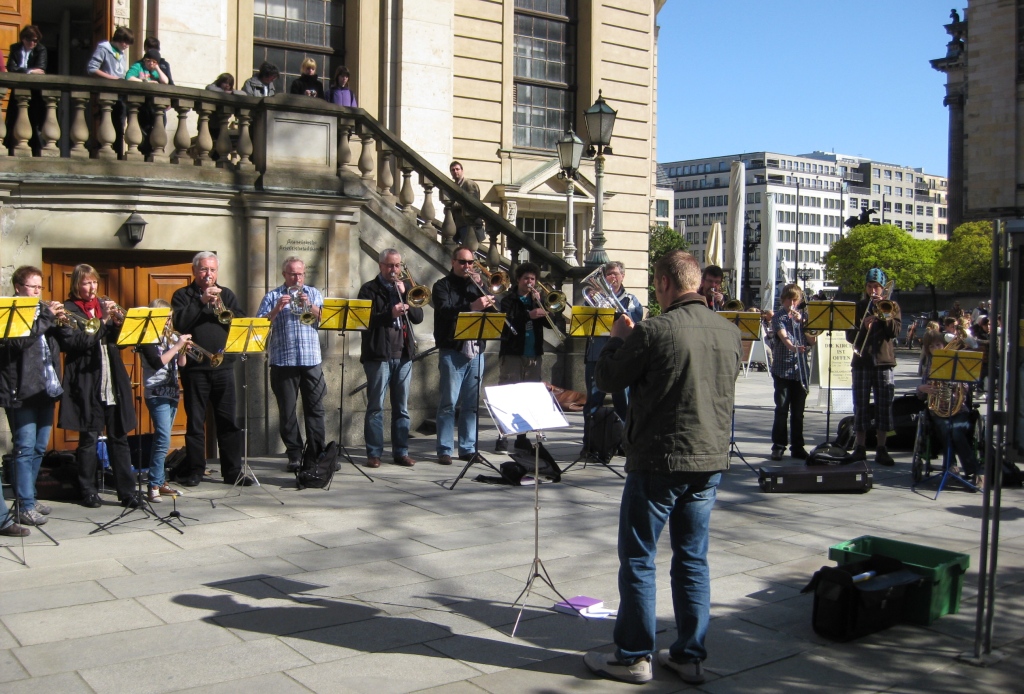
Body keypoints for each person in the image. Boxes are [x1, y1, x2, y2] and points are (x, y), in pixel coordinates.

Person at [584, 249, 741, 685]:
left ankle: (634, 656)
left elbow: (608, 380)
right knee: (693, 560)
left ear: (666, 284)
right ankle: (690, 655)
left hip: (659, 458)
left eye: (657, 284)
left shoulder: (653, 330)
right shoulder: (729, 333)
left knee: (638, 557)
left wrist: (617, 338)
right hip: (710, 459)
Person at [57, 264, 141, 508]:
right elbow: (77, 342)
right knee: (88, 438)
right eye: (86, 283)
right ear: (76, 285)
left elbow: (122, 343)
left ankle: (127, 492)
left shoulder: (102, 307)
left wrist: (116, 323)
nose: (92, 288)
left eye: (94, 282)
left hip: (111, 380)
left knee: (119, 437)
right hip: (86, 381)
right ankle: (88, 490)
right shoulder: (68, 310)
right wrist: (103, 320)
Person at [171, 252, 248, 486]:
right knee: (195, 422)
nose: (209, 275)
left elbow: (241, 322)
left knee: (228, 421)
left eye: (213, 270)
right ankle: (195, 471)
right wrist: (201, 301)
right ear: (194, 271)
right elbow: (179, 322)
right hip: (195, 368)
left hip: (223, 367)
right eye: (204, 270)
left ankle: (232, 471)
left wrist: (221, 308)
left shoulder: (227, 295)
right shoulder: (182, 295)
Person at [0, 266, 66, 527]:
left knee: (39, 447)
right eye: (32, 287)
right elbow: (17, 344)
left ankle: (29, 495)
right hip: (21, 391)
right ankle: (24, 504)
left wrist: (57, 324)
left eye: (40, 287)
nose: (38, 291)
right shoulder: (12, 313)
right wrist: (46, 319)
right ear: (18, 288)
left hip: (45, 388)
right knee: (24, 448)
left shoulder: (42, 314)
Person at [256, 257, 326, 472]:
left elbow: (325, 318)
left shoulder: (313, 293)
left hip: (311, 360)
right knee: (287, 412)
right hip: (283, 361)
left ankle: (316, 454)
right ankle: (294, 454)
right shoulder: (273, 296)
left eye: (300, 274)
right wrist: (277, 308)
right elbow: (260, 325)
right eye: (293, 274)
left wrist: (310, 305)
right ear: (284, 274)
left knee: (315, 410)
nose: (297, 278)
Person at [357, 249, 424, 468]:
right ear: (380, 266)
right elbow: (363, 320)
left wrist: (406, 295)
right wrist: (390, 313)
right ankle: (374, 453)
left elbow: (418, 317)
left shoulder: (405, 288)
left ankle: (401, 451)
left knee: (401, 408)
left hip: (403, 354)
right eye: (389, 266)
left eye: (397, 266)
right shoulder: (368, 289)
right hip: (378, 355)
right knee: (376, 406)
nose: (394, 270)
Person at [431, 246, 493, 465]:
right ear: (453, 262)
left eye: (470, 263)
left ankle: (467, 448)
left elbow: (495, 312)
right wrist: (471, 306)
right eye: (463, 262)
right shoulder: (441, 285)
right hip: (452, 350)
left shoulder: (476, 286)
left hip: (476, 350)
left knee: (471, 404)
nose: (467, 267)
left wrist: (483, 289)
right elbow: (444, 310)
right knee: (448, 402)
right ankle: (445, 449)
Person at [581, 261, 643, 456]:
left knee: (623, 401)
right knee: (593, 401)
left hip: (621, 356)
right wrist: (590, 304)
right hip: (596, 355)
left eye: (616, 274)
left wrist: (618, 312)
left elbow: (635, 321)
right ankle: (590, 443)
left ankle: (624, 443)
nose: (612, 278)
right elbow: (584, 322)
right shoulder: (594, 298)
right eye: (609, 274)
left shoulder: (631, 299)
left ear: (623, 276)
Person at [844, 267, 901, 466]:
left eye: (877, 287)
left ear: (883, 289)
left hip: (884, 361)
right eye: (870, 286)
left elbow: (894, 332)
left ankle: (881, 448)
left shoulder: (891, 306)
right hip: (861, 361)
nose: (873, 290)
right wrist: (863, 325)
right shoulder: (859, 307)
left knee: (884, 405)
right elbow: (850, 336)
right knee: (860, 405)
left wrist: (884, 315)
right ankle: (859, 447)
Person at [495, 262, 549, 453]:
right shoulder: (508, 299)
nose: (529, 282)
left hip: (533, 353)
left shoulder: (537, 299)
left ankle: (522, 436)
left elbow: (550, 324)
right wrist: (528, 314)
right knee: (507, 396)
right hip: (512, 353)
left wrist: (543, 305)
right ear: (518, 280)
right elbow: (507, 322)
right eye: (526, 278)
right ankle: (502, 436)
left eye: (533, 279)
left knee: (529, 398)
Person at [140, 300, 188, 502]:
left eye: (170, 317)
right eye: (164, 317)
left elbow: (182, 364)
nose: (168, 321)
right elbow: (157, 362)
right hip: (156, 393)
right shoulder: (148, 338)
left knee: (164, 438)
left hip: (172, 392)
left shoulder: (172, 336)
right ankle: (153, 485)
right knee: (162, 439)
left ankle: (160, 481)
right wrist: (177, 345)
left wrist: (183, 349)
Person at [769, 284, 815, 460]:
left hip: (800, 370)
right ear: (783, 300)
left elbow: (813, 340)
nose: (792, 303)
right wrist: (794, 347)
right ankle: (779, 446)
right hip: (782, 368)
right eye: (789, 299)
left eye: (795, 300)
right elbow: (784, 338)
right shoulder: (779, 316)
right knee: (782, 409)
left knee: (798, 412)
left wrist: (802, 323)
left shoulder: (805, 317)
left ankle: (798, 446)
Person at [448, 161, 484, 246]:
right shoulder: (453, 185)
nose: (455, 171)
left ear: (462, 170)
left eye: (457, 169)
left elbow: (472, 202)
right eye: (453, 170)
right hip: (457, 224)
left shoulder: (469, 184)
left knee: (469, 250)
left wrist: (452, 205)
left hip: (469, 224)